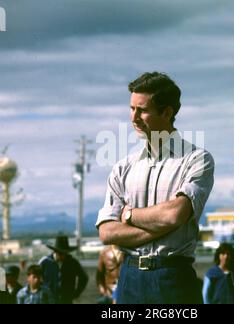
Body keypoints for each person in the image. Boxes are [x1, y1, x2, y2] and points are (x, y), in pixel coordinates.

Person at [96, 72, 214, 304]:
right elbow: (107, 232)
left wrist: (129, 215)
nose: (134, 117)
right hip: (129, 278)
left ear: (167, 112)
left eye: (142, 110)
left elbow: (174, 214)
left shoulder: (196, 160)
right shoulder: (124, 167)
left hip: (172, 277)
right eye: (132, 109)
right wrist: (162, 225)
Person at [39, 235, 89, 304]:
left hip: (66, 300)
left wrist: (77, 293)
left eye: (65, 253)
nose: (64, 255)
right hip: (49, 300)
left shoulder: (72, 262)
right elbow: (36, 277)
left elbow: (83, 277)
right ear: (55, 252)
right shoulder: (45, 262)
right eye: (62, 253)